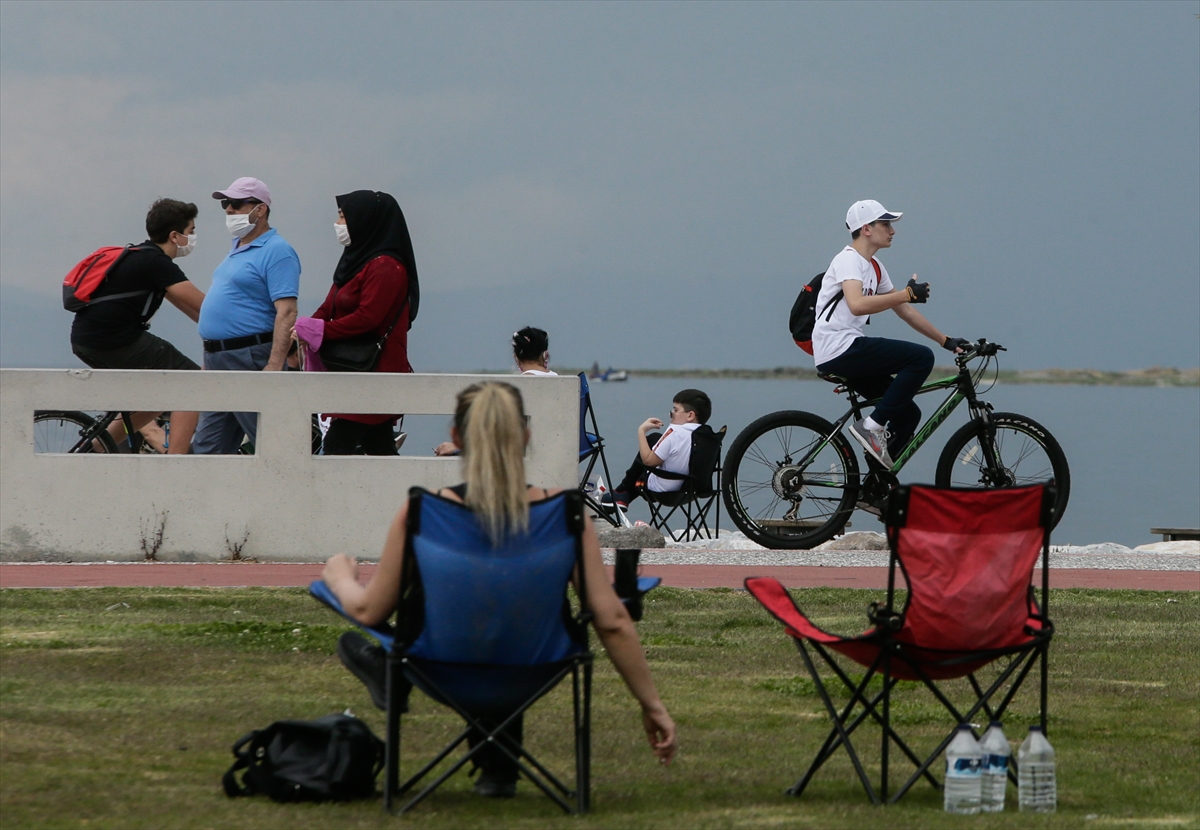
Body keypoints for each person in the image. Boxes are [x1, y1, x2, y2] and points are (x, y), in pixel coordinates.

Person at [323, 382, 676, 797]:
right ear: (525, 437)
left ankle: (389, 672)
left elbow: (369, 612)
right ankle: (498, 768)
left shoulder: (423, 511)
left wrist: (340, 576)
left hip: (438, 666)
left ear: (455, 438)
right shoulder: (564, 515)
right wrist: (652, 705)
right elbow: (612, 620)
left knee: (467, 610)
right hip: (536, 668)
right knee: (513, 611)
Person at [812, 200, 968, 472]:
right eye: (885, 224)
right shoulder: (849, 259)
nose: (892, 230)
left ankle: (873, 489)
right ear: (867, 229)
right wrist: (906, 293)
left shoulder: (875, 267)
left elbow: (904, 311)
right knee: (920, 358)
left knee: (908, 414)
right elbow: (857, 304)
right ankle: (871, 427)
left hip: (847, 347)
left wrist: (946, 340)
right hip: (838, 347)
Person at [69, 198, 207, 454]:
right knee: (192, 382)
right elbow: (205, 306)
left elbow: (194, 311)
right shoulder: (156, 263)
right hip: (115, 340)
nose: (193, 238)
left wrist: (214, 332)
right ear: (175, 236)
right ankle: (177, 465)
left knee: (158, 399)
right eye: (192, 232)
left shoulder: (141, 257)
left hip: (87, 340)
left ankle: (97, 448)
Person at [306, 190, 418, 455]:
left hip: (373, 372)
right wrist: (306, 327)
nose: (339, 224)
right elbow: (329, 305)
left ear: (364, 220)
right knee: (378, 447)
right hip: (353, 371)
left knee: (338, 446)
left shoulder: (386, 266)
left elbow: (368, 318)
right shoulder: (355, 262)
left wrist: (322, 331)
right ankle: (400, 496)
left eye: (344, 217)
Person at [193, 178, 300, 454]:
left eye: (237, 204)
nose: (229, 209)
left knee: (271, 442)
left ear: (260, 209)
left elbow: (287, 311)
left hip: (249, 356)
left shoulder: (277, 251)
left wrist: (275, 366)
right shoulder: (237, 248)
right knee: (208, 448)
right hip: (219, 358)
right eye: (225, 203)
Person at [432, 326, 555, 456]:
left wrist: (459, 446)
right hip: (551, 453)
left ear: (516, 357)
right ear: (545, 354)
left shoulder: (522, 386)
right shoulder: (560, 380)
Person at [603, 389, 712, 510]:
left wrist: (641, 431)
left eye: (675, 410)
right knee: (656, 440)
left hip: (663, 491)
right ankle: (622, 494)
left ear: (690, 415)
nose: (671, 414)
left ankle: (622, 492)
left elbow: (649, 461)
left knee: (651, 441)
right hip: (691, 490)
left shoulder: (675, 432)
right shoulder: (706, 436)